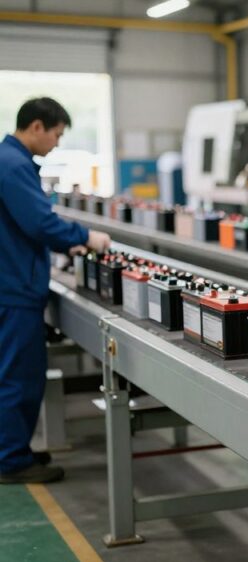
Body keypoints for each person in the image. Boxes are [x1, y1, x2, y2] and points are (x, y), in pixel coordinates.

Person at [0, 97, 111, 484]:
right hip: (13, 287)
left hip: (13, 281)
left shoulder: (10, 161)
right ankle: (11, 460)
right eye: (56, 135)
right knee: (18, 375)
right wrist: (86, 237)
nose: (57, 144)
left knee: (16, 373)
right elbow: (39, 223)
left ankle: (13, 449)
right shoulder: (12, 165)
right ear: (36, 127)